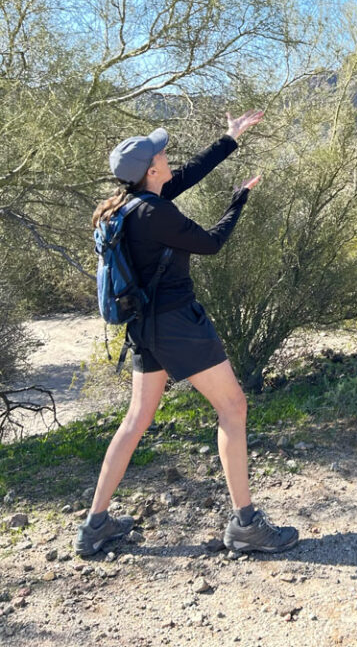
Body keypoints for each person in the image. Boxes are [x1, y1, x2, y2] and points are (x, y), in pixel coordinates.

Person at [74, 110, 299, 557]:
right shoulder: (154, 212)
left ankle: (95, 525)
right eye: (161, 154)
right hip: (178, 324)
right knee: (233, 407)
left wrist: (229, 138)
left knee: (136, 420)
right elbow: (212, 243)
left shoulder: (126, 206)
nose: (167, 156)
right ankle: (246, 525)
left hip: (144, 327)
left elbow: (189, 175)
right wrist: (239, 200)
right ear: (152, 170)